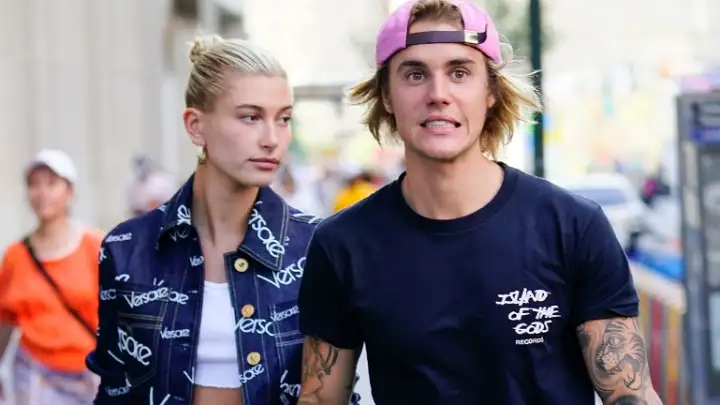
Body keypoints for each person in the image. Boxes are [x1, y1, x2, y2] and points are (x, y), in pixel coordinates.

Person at [296, 1, 663, 404]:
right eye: (415, 74)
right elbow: (319, 399)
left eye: (459, 73)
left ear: (490, 91)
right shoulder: (343, 244)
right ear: (386, 95)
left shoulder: (573, 226)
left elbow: (628, 394)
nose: (438, 94)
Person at [86, 36, 348, 405]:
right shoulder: (126, 249)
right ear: (196, 125)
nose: (272, 139)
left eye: (284, 119)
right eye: (250, 117)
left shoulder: (318, 246)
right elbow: (115, 390)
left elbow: (332, 395)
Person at [0, 149, 103, 405]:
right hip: (34, 372)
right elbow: (4, 320)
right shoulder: (16, 255)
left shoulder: (96, 246)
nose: (42, 192)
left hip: (90, 370)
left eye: (51, 183)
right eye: (34, 184)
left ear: (69, 191)